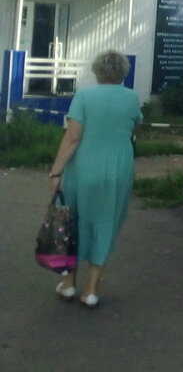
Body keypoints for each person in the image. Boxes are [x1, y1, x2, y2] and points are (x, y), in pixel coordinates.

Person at [49, 50, 143, 308]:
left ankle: (68, 285)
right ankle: (91, 291)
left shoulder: (84, 96)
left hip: (84, 170)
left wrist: (56, 171)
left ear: (97, 71)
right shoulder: (132, 98)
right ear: (123, 72)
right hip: (119, 170)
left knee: (71, 223)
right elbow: (134, 128)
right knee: (105, 224)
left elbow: (73, 137)